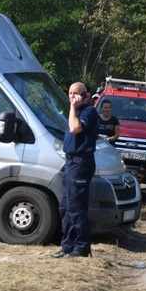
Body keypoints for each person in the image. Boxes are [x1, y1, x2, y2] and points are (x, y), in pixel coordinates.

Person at [52, 82, 99, 259]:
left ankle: (81, 248)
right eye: (70, 93)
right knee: (65, 206)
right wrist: (72, 109)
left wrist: (72, 107)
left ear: (85, 95)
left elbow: (75, 128)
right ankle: (67, 246)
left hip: (81, 162)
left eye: (76, 93)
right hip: (70, 162)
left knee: (77, 207)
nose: (72, 96)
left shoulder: (89, 112)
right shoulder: (75, 112)